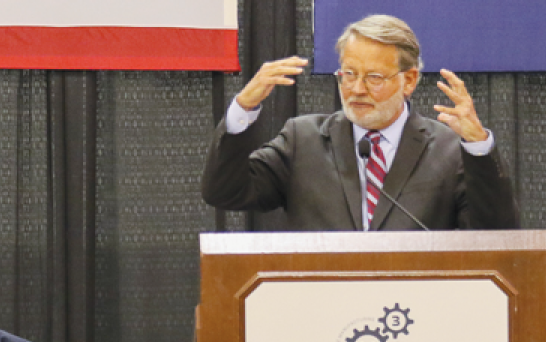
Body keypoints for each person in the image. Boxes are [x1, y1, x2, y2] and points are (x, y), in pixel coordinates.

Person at [200, 14, 519, 231]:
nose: (356, 89)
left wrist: (478, 147)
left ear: (408, 81)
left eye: (374, 78)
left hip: (416, 313)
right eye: (348, 75)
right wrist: (243, 109)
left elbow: (497, 233)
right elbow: (225, 192)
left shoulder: (449, 150)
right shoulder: (303, 140)